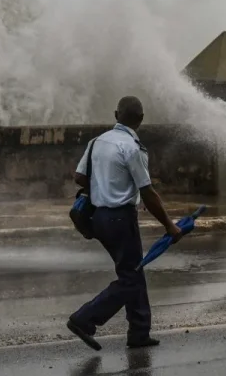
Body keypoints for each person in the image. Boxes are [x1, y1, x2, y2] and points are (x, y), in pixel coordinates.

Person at [67, 96, 183, 351]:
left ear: (115, 114)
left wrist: (103, 185)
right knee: (130, 278)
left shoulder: (97, 142)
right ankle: (84, 319)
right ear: (140, 120)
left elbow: (78, 176)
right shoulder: (133, 148)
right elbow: (149, 193)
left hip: (98, 218)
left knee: (133, 271)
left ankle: (139, 332)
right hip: (121, 219)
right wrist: (169, 225)